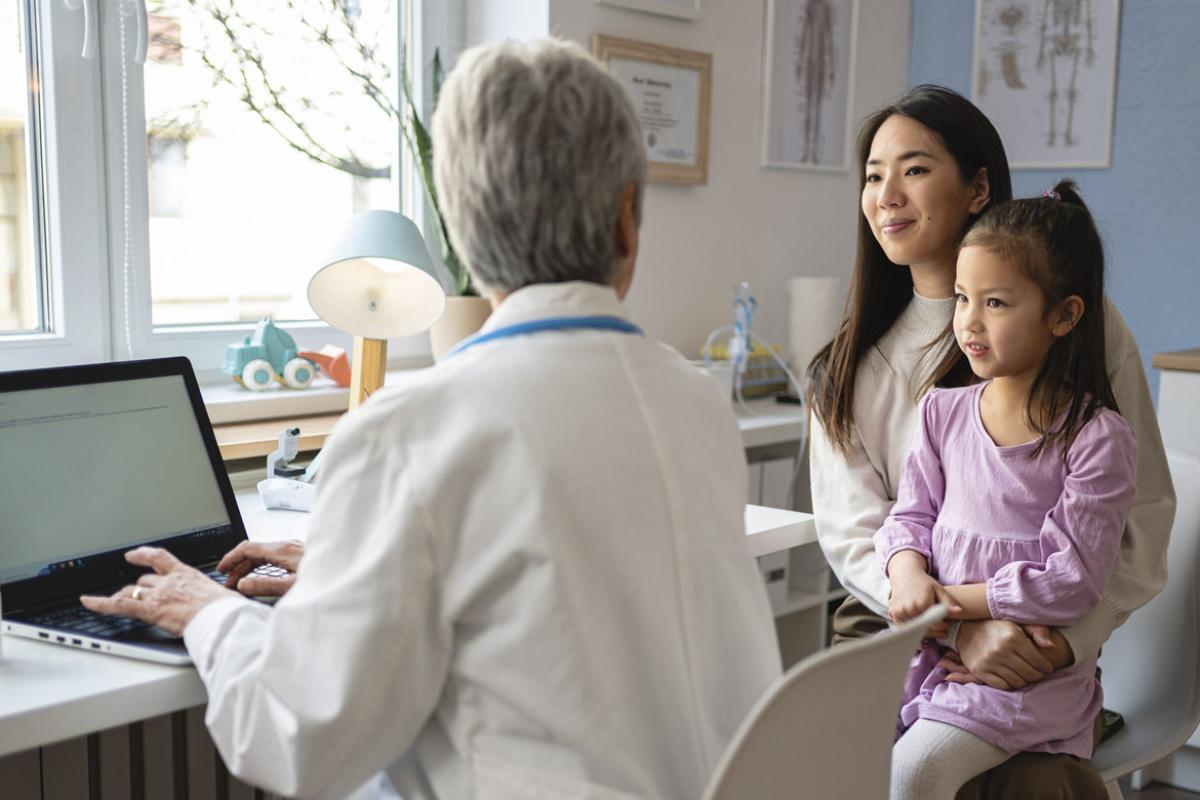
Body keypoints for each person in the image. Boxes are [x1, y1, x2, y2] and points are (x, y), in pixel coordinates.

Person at [81, 38, 782, 799]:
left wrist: (210, 612)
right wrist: (358, 578)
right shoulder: (695, 401)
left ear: (461, 226)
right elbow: (556, 601)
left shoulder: (406, 430)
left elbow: (297, 744)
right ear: (626, 223)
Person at [806, 85, 1175, 799]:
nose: (887, 194)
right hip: (891, 625)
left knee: (1027, 784)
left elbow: (1144, 518)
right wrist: (953, 629)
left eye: (914, 169)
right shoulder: (849, 365)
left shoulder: (1081, 324)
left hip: (1040, 641)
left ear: (979, 187)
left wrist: (1063, 641)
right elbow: (859, 533)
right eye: (873, 175)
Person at [880, 182, 1137, 799]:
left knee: (917, 771)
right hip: (936, 663)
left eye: (995, 302)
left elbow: (1071, 578)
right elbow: (909, 516)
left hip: (1027, 679)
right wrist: (908, 572)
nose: (968, 321)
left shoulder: (1097, 438)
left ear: (1063, 315)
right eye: (963, 297)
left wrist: (950, 603)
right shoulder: (942, 412)